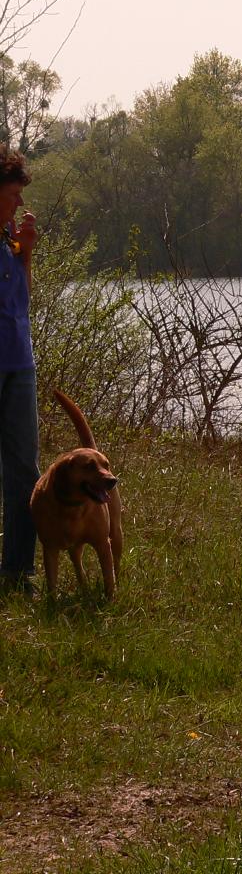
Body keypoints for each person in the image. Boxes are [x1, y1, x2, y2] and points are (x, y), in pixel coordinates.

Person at [0, 148, 40, 595]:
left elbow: (23, 299)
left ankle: (17, 571)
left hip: (19, 362)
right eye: (13, 195)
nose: (18, 204)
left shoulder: (9, 237)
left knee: (24, 469)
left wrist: (25, 254)